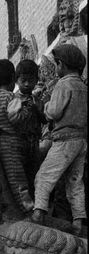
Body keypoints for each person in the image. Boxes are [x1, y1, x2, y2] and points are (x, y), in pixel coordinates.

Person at [32, 44, 87, 236]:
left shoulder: (63, 84)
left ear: (61, 64)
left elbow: (54, 112)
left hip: (64, 140)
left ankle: (38, 213)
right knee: (75, 182)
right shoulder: (83, 86)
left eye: (56, 64)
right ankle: (79, 221)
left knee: (44, 176)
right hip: (81, 141)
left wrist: (45, 105)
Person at [0, 58, 34, 213]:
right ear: (12, 79)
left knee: (9, 176)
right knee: (18, 176)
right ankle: (27, 208)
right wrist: (26, 111)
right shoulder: (10, 97)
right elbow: (15, 118)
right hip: (11, 141)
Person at [7, 59, 48, 195]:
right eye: (23, 80)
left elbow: (44, 119)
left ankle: (34, 205)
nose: (26, 84)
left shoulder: (38, 100)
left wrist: (37, 109)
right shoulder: (13, 99)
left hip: (34, 142)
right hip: (19, 142)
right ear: (16, 80)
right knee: (20, 177)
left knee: (34, 175)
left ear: (36, 80)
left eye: (30, 80)